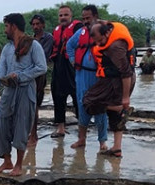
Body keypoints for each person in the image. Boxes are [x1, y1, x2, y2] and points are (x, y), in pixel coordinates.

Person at [0, 13, 47, 176]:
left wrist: (20, 75)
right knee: (2, 122)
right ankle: (7, 160)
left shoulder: (33, 46)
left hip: (26, 89)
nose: (5, 30)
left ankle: (19, 165)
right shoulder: (7, 48)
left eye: (6, 26)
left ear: (13, 26)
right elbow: (1, 67)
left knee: (22, 125)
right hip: (8, 90)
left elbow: (41, 67)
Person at [83, 21, 137, 158]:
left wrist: (125, 97)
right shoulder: (108, 28)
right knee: (115, 117)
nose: (99, 44)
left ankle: (119, 107)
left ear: (107, 33)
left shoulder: (115, 47)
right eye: (96, 41)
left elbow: (126, 73)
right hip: (110, 79)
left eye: (101, 40)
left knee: (89, 101)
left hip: (119, 81)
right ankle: (117, 148)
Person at [66, 5, 109, 151]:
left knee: (100, 107)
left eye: (88, 18)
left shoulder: (105, 32)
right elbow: (69, 45)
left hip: (99, 76)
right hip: (82, 75)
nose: (85, 21)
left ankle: (102, 141)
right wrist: (72, 59)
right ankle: (81, 139)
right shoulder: (80, 33)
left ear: (95, 17)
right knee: (82, 104)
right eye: (83, 18)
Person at [50, 5, 82, 138]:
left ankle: (82, 128)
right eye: (61, 15)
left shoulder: (78, 28)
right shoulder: (56, 30)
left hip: (72, 65)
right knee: (57, 96)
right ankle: (60, 128)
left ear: (71, 16)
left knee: (77, 97)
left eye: (65, 15)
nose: (63, 18)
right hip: (59, 65)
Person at [29, 14, 54, 146]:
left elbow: (43, 56)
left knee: (35, 105)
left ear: (43, 25)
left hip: (40, 76)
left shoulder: (48, 38)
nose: (36, 27)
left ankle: (34, 135)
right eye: (33, 24)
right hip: (30, 75)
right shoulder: (31, 39)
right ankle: (30, 133)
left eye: (38, 24)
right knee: (28, 105)